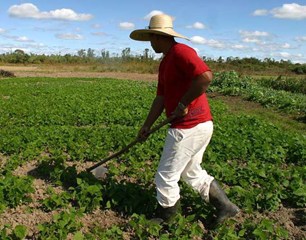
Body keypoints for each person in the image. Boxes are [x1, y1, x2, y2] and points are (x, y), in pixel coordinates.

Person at [130, 14, 240, 226]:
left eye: (151, 39)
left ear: (159, 37)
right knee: (191, 172)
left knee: (165, 176)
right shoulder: (166, 62)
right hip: (197, 125)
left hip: (189, 126)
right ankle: (225, 206)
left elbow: (205, 77)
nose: (150, 44)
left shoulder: (181, 52)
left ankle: (166, 218)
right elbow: (160, 98)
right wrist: (147, 125)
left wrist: (183, 103)